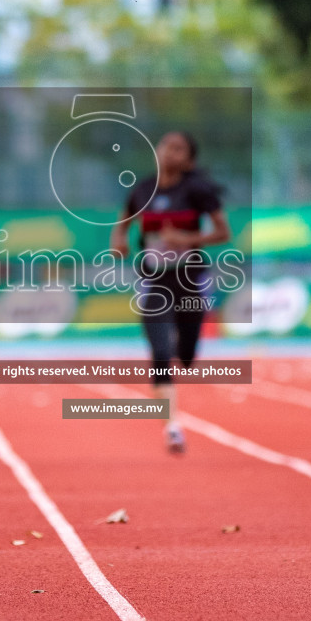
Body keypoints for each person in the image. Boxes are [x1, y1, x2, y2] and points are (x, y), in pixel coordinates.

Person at [110, 131, 231, 455]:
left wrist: (188, 240)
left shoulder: (197, 191)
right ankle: (172, 427)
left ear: (188, 159)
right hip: (155, 281)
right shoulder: (143, 190)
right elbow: (122, 224)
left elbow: (223, 232)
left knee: (187, 358)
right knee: (161, 354)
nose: (168, 152)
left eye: (178, 149)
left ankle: (183, 343)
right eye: (165, 146)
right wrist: (118, 243)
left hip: (190, 279)